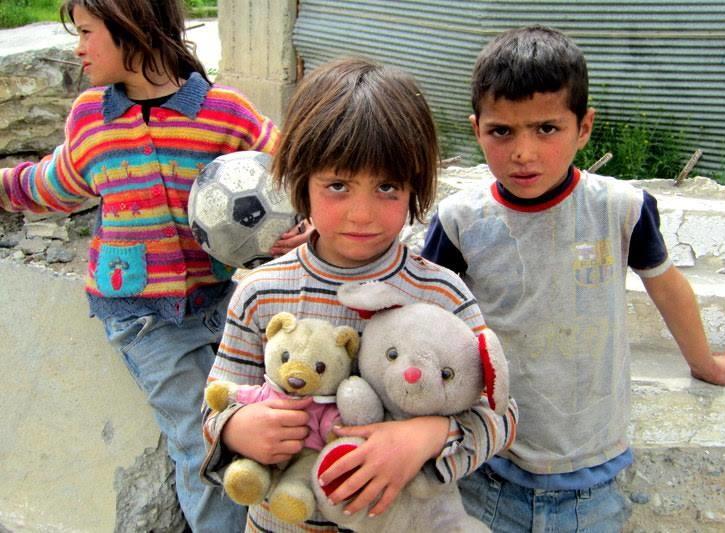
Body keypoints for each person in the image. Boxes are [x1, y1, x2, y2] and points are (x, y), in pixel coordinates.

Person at [421, 25, 725, 532]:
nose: (523, 153)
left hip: (591, 480)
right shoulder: (458, 221)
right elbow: (425, 317)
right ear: (476, 129)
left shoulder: (621, 210)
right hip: (484, 468)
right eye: (501, 131)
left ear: (583, 128)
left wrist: (704, 362)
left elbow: (665, 286)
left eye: (547, 129)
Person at [0, 1, 310, 530]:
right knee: (201, 436)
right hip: (140, 316)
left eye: (87, 33)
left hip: (221, 303)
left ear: (132, 29)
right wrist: (4, 188)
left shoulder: (224, 113)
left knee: (269, 416)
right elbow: (54, 184)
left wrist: (304, 225)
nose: (78, 48)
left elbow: (291, 170)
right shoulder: (92, 118)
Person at [201, 57, 518, 532]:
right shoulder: (261, 293)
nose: (362, 214)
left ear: (415, 186)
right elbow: (214, 403)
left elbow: (502, 415)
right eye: (338, 185)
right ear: (300, 180)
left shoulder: (439, 292)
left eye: (387, 187)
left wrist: (425, 436)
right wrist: (238, 429)